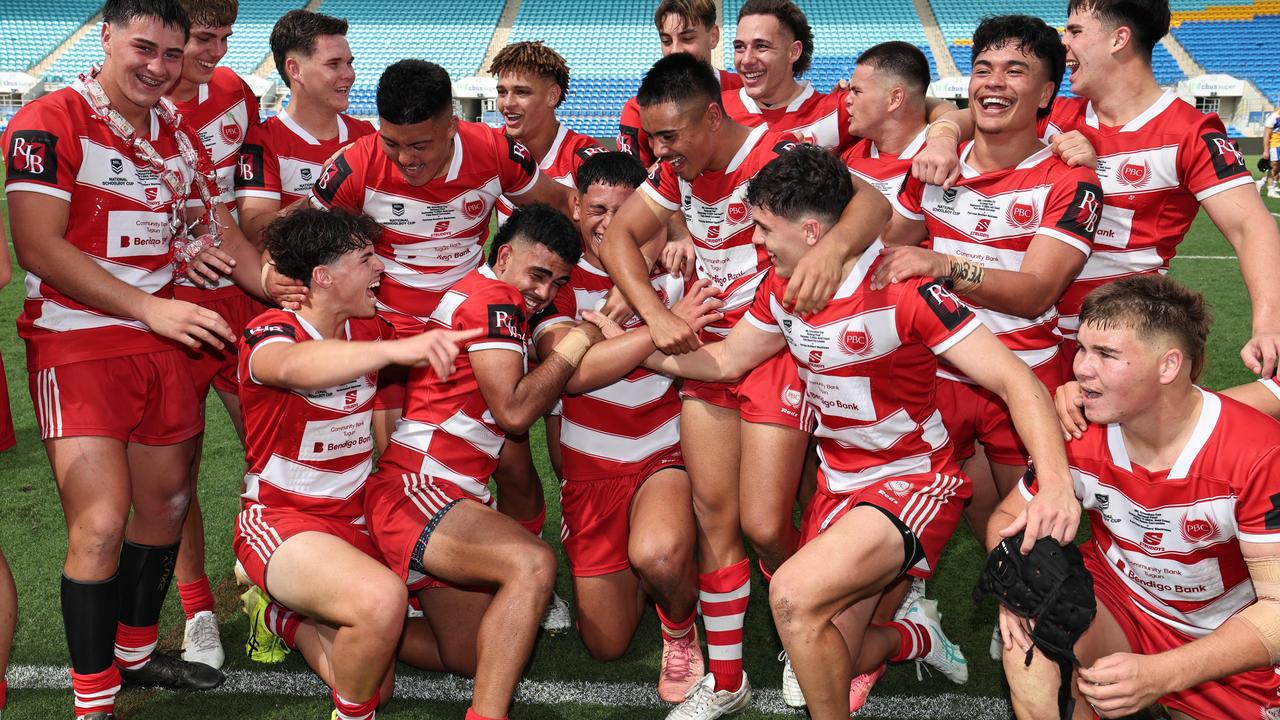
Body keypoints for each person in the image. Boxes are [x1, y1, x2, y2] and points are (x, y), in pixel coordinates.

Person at [630, 145, 1077, 720]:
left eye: (765, 229)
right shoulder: (780, 287)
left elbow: (1019, 382)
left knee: (791, 596)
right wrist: (637, 353)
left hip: (913, 479)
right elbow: (725, 361)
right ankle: (914, 638)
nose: (757, 242)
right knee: (822, 646)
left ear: (813, 231)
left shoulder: (904, 290)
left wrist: (1058, 482)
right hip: (838, 486)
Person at [600, 52, 892, 719]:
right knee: (714, 519)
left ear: (711, 114)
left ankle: (811, 626)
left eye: (671, 136)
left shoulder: (774, 151)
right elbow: (620, 235)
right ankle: (727, 679)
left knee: (764, 524)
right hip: (712, 353)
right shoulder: (678, 172)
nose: (661, 151)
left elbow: (870, 200)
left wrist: (833, 248)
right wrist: (654, 312)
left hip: (774, 349)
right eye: (653, 139)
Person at [2, 0, 249, 714]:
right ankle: (93, 698)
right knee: (102, 522)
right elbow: (38, 246)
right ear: (104, 37)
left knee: (167, 504)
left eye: (172, 55)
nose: (158, 67)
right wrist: (149, 306)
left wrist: (268, 281)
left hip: (166, 333)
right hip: (78, 341)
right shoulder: (49, 119)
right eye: (144, 48)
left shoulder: (176, 131)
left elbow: (212, 226)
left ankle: (136, 652)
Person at [307, 58, 577, 630]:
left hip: (475, 329)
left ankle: (526, 577)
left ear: (452, 122)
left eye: (421, 144)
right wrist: (281, 277)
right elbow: (307, 240)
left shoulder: (497, 150)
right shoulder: (354, 166)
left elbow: (552, 205)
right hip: (391, 338)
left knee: (514, 465)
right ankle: (394, 581)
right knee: (391, 466)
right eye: (394, 143)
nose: (407, 158)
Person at [914, 0, 1280, 374]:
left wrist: (1269, 324)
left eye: (1075, 31)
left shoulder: (1189, 132)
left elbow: (1250, 226)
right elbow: (968, 116)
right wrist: (942, 138)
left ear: (1118, 39)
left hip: (1118, 343)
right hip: (1040, 337)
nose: (1064, 43)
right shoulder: (1058, 114)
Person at [993, 274, 1280, 720]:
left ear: (1168, 366)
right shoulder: (1078, 430)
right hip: (1121, 602)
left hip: (1225, 633)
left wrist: (1163, 673)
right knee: (1031, 630)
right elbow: (1008, 516)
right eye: (1082, 350)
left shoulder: (1259, 453)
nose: (1081, 369)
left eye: (1106, 355)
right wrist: (1016, 581)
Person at [362, 204, 606, 720]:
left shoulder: (490, 295)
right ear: (504, 253)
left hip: (448, 492)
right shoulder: (494, 297)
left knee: (476, 657)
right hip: (419, 486)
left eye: (556, 282)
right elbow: (515, 412)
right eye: (537, 275)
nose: (543, 292)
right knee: (533, 563)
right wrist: (579, 341)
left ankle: (292, 618)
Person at [233, 208, 477, 720]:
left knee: (398, 671)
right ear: (322, 277)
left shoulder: (371, 327)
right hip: (280, 518)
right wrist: (396, 350)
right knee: (381, 604)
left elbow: (460, 329)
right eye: (366, 259)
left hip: (356, 515)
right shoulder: (271, 329)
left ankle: (284, 618)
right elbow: (295, 367)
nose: (381, 268)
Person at [879, 14, 1102, 548]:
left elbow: (1036, 293)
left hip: (1024, 374)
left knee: (1031, 540)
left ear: (1047, 91)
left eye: (1015, 71)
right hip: (939, 375)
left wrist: (944, 266)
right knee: (958, 524)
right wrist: (938, 132)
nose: (994, 82)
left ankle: (1027, 625)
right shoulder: (935, 165)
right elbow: (887, 243)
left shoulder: (1071, 178)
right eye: (983, 69)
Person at [530, 151, 708, 701]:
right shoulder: (554, 277)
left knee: (655, 554)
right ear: (576, 205)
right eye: (598, 208)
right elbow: (573, 375)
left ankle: (679, 625)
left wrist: (610, 332)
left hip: (662, 451)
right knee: (605, 643)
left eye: (624, 210)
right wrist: (660, 326)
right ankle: (665, 563)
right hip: (591, 471)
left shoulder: (676, 267)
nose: (608, 222)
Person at [162, 0, 262, 669]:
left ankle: (266, 583)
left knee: (270, 449)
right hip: (162, 317)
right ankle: (198, 609)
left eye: (227, 36)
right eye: (204, 37)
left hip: (240, 304)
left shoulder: (235, 93)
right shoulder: (116, 106)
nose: (218, 51)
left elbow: (245, 201)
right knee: (173, 478)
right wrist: (174, 253)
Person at [234, 9, 376, 246]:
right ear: (294, 69)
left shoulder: (367, 135)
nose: (349, 74)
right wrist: (319, 196)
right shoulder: (263, 140)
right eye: (334, 64)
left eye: (349, 63)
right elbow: (256, 232)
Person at [618, 0, 743, 169]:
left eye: (687, 38)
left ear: (713, 37)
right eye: (667, 41)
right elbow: (630, 185)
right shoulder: (637, 109)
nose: (675, 50)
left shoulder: (744, 90)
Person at [490, 41, 604, 225]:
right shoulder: (491, 147)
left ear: (552, 95)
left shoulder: (583, 157)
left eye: (521, 92)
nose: (507, 103)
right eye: (502, 92)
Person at [840, 42, 932, 202]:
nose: (847, 100)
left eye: (856, 91)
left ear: (895, 99)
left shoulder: (943, 159)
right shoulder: (850, 155)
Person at [1261, 106, 1280, 198]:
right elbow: (1266, 135)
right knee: (1273, 167)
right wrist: (1266, 150)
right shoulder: (1273, 118)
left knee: (1277, 169)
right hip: (1275, 146)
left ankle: (1262, 182)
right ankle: (1270, 190)